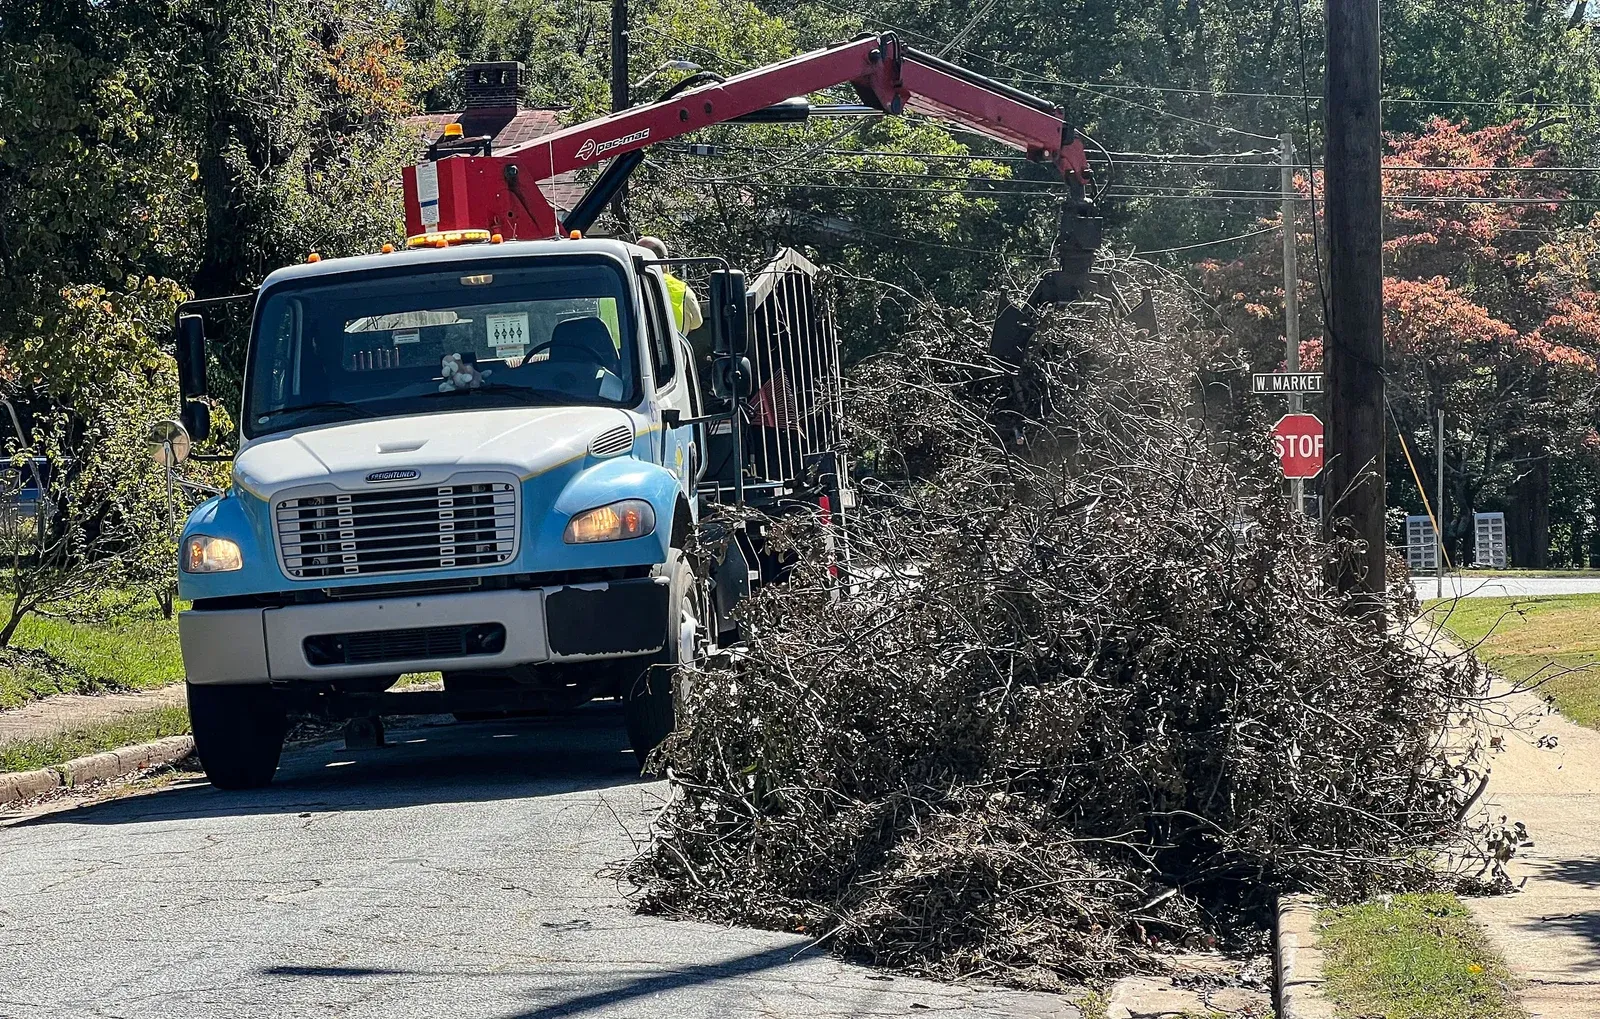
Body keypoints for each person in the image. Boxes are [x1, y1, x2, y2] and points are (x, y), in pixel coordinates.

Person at [636, 236, 704, 334]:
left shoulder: (622, 287)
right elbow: (697, 322)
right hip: (672, 348)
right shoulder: (682, 290)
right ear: (666, 261)